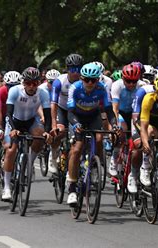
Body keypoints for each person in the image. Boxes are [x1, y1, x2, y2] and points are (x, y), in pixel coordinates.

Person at [66, 62, 118, 205]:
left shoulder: (102, 89)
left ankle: (95, 165)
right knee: (77, 149)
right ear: (81, 79)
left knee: (100, 139)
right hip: (77, 117)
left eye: (93, 80)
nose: (90, 83)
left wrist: (114, 125)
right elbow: (69, 112)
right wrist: (76, 124)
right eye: (86, 80)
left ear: (97, 80)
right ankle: (71, 188)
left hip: (93, 116)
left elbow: (108, 110)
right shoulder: (74, 88)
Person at [1, 67, 51, 200]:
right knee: (11, 150)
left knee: (40, 136)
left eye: (35, 83)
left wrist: (47, 132)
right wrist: (12, 129)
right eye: (28, 83)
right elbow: (8, 114)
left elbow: (48, 116)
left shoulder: (43, 93)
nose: (31, 86)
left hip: (30, 121)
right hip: (14, 121)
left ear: (39, 83)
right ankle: (6, 187)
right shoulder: (15, 90)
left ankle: (29, 163)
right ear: (23, 82)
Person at [48, 53, 84, 174]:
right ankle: (53, 154)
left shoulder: (85, 81)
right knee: (60, 131)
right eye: (72, 69)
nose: (75, 72)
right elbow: (53, 103)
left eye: (78, 69)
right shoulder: (59, 82)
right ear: (67, 69)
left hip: (77, 110)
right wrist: (54, 125)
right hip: (62, 108)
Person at [108, 64, 143, 177]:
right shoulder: (117, 85)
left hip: (134, 113)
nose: (131, 84)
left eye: (134, 81)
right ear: (123, 78)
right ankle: (114, 157)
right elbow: (115, 108)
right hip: (121, 112)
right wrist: (116, 124)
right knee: (122, 130)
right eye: (128, 81)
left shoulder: (142, 86)